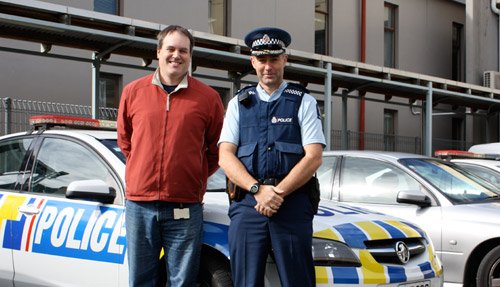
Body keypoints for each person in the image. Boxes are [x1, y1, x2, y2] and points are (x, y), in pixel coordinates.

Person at [117, 25, 224, 287]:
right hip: (139, 205)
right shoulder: (133, 91)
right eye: (171, 49)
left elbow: (216, 149)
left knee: (183, 281)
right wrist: (144, 169)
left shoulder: (208, 98)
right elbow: (125, 141)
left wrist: (193, 176)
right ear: (158, 52)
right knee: (141, 279)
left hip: (185, 205)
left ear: (190, 56)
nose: (176, 55)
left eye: (183, 51)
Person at [218, 27, 326, 287]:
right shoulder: (238, 104)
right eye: (262, 60)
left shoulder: (303, 102)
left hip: (292, 203)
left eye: (274, 59)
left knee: (297, 280)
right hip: (247, 204)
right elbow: (225, 156)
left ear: (284, 60)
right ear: (253, 62)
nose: (268, 66)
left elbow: (313, 157)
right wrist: (257, 190)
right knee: (245, 281)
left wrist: (275, 193)